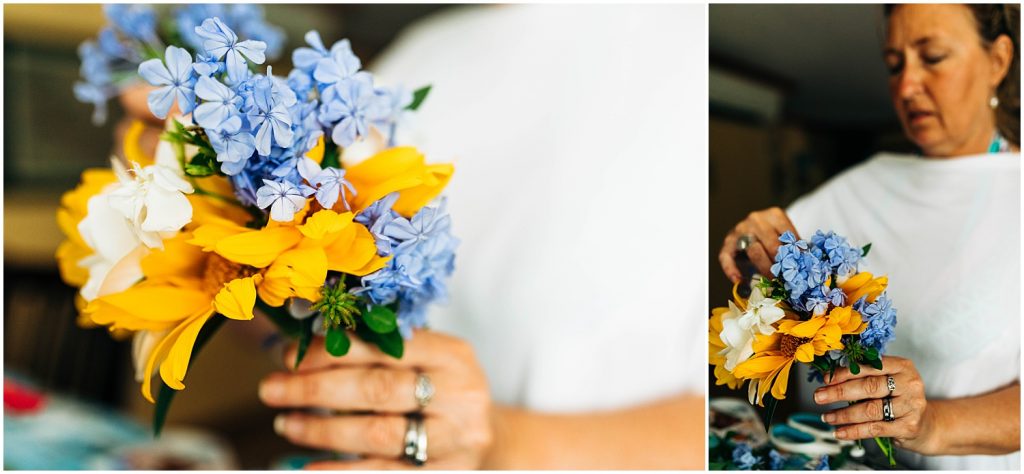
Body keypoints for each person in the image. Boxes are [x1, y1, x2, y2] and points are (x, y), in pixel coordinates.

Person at [256, 4, 706, 469]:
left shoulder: (691, 50)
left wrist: (500, 444)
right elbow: (295, 302)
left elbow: (724, 430)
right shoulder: (418, 53)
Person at [718, 4, 1020, 470]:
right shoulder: (862, 186)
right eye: (894, 65)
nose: (906, 86)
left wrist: (933, 423)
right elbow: (762, 289)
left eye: (933, 56)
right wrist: (750, 245)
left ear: (998, 61)